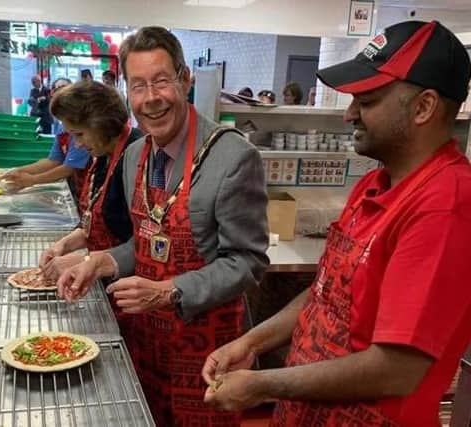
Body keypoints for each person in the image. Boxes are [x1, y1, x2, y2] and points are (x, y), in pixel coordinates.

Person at [202, 20, 471, 427]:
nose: (348, 115)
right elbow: (327, 291)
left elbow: (397, 368)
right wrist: (251, 342)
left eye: (367, 101)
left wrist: (263, 385)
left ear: (424, 107)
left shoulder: (445, 205)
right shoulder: (372, 184)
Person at [56, 26, 270, 426]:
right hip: (146, 344)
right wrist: (102, 261)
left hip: (205, 350)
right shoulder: (136, 155)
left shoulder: (233, 157)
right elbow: (147, 240)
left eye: (161, 81)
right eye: (138, 86)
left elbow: (247, 261)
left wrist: (169, 291)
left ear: (184, 79)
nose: (151, 98)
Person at [38, 80, 143, 278]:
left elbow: (148, 243)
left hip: (132, 286)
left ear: (101, 123)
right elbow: (94, 222)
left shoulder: (138, 158)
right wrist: (64, 244)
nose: (77, 145)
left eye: (79, 134)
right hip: (103, 277)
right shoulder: (103, 155)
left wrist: (86, 260)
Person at [0, 78, 91, 196]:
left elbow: (70, 167)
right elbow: (54, 160)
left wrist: (32, 180)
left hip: (86, 185)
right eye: (56, 90)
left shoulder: (81, 126)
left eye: (65, 90)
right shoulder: (60, 124)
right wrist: (19, 171)